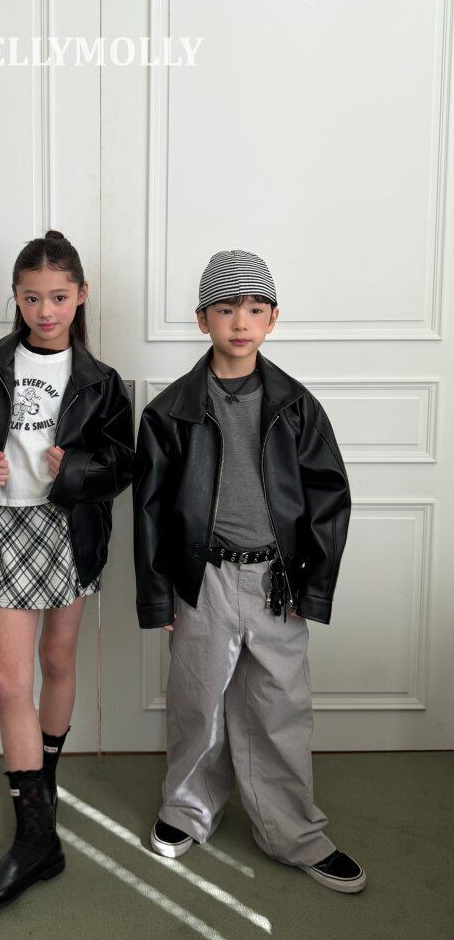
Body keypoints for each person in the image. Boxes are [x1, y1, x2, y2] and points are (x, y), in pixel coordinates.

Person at [132, 249, 366, 893]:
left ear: (273, 319)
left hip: (276, 581)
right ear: (202, 319)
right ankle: (187, 809)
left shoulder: (296, 406)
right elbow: (150, 510)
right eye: (226, 308)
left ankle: (293, 830)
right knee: (197, 701)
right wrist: (160, 598)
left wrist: (313, 585)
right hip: (203, 578)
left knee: (280, 707)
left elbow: (329, 497)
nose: (241, 322)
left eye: (255, 309)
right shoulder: (170, 412)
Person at [0, 230, 134, 914]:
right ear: (15, 298)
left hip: (70, 528)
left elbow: (122, 463)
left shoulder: (101, 381)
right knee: (8, 680)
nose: (46, 311)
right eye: (33, 297)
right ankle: (37, 835)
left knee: (58, 662)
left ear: (81, 296)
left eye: (59, 297)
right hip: (9, 528)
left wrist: (77, 470)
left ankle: (44, 787)